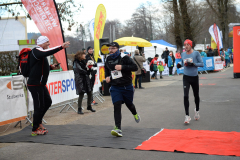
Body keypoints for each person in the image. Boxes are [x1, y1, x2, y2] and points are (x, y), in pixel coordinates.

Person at [28, 36, 70, 136]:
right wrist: (61, 47)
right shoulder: (37, 50)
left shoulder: (40, 52)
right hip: (35, 84)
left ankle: (38, 122)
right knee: (39, 106)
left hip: (41, 84)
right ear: (41, 43)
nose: (48, 44)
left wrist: (51, 67)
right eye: (47, 42)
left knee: (47, 102)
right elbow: (48, 52)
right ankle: (35, 129)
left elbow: (39, 67)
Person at [105, 42, 140, 137]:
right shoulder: (108, 58)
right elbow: (107, 70)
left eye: (112, 48)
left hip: (126, 86)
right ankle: (118, 128)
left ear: (117, 49)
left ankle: (135, 113)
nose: (110, 50)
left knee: (129, 104)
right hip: (115, 87)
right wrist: (107, 77)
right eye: (109, 49)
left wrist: (122, 67)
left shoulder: (125, 57)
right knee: (117, 105)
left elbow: (135, 67)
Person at [177, 39, 203, 124]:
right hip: (186, 77)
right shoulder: (183, 54)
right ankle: (187, 116)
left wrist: (194, 64)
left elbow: (202, 64)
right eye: (185, 45)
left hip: (194, 77)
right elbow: (181, 62)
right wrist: (179, 65)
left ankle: (197, 110)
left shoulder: (196, 53)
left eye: (188, 45)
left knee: (196, 95)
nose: (186, 46)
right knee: (185, 96)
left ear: (191, 45)